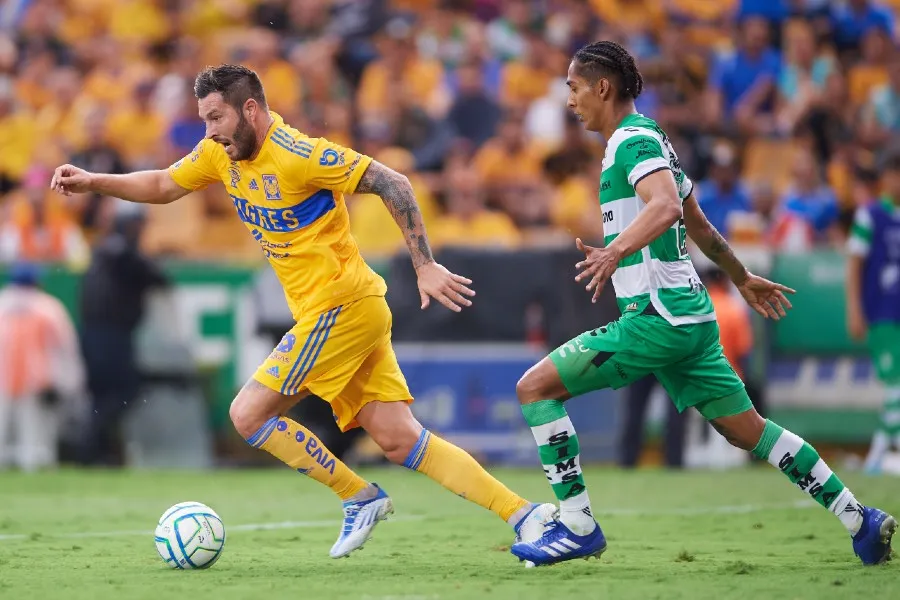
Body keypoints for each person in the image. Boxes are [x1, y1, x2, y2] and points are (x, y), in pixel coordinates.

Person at [50, 64, 553, 559]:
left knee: (247, 415)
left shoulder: (299, 155)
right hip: (348, 310)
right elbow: (163, 185)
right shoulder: (220, 155)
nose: (210, 132)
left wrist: (424, 265)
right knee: (400, 440)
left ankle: (359, 496)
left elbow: (393, 182)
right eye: (204, 120)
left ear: (250, 109)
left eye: (216, 118)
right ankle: (525, 514)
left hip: (341, 307)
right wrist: (96, 182)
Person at [510, 41, 895, 567]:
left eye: (574, 87)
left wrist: (615, 250)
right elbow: (702, 226)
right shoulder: (654, 140)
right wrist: (741, 277)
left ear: (602, 87)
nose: (570, 99)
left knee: (534, 388)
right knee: (749, 431)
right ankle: (861, 519)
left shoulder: (631, 141)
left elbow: (668, 207)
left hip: (656, 319)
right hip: (689, 318)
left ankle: (577, 525)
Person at [0, 262, 85, 471]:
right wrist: (70, 383)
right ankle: (36, 469)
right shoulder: (48, 308)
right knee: (36, 436)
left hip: (9, 379)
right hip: (38, 380)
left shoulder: (3, 305)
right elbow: (65, 349)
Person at [846, 148, 900, 474]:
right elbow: (854, 265)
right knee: (896, 384)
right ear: (884, 178)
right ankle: (878, 454)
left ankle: (877, 454)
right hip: (881, 315)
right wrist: (854, 309)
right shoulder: (870, 216)